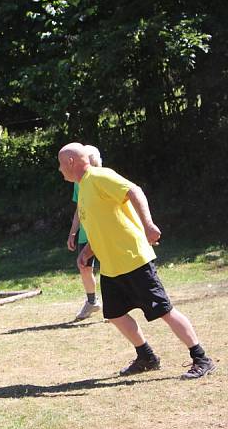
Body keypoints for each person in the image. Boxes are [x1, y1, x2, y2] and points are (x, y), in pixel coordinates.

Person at [57, 142, 216, 379]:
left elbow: (134, 190)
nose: (60, 170)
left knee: (164, 310)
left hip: (134, 259)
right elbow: (103, 225)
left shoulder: (99, 176)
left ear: (71, 161)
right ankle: (146, 357)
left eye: (61, 164)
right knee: (114, 314)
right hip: (111, 266)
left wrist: (148, 224)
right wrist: (87, 252)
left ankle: (201, 358)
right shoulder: (84, 188)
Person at [67, 146, 104, 320]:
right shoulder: (77, 182)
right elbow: (79, 208)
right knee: (84, 267)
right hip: (85, 233)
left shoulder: (104, 179)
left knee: (110, 268)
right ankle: (92, 302)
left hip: (103, 231)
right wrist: (73, 233)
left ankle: (117, 307)